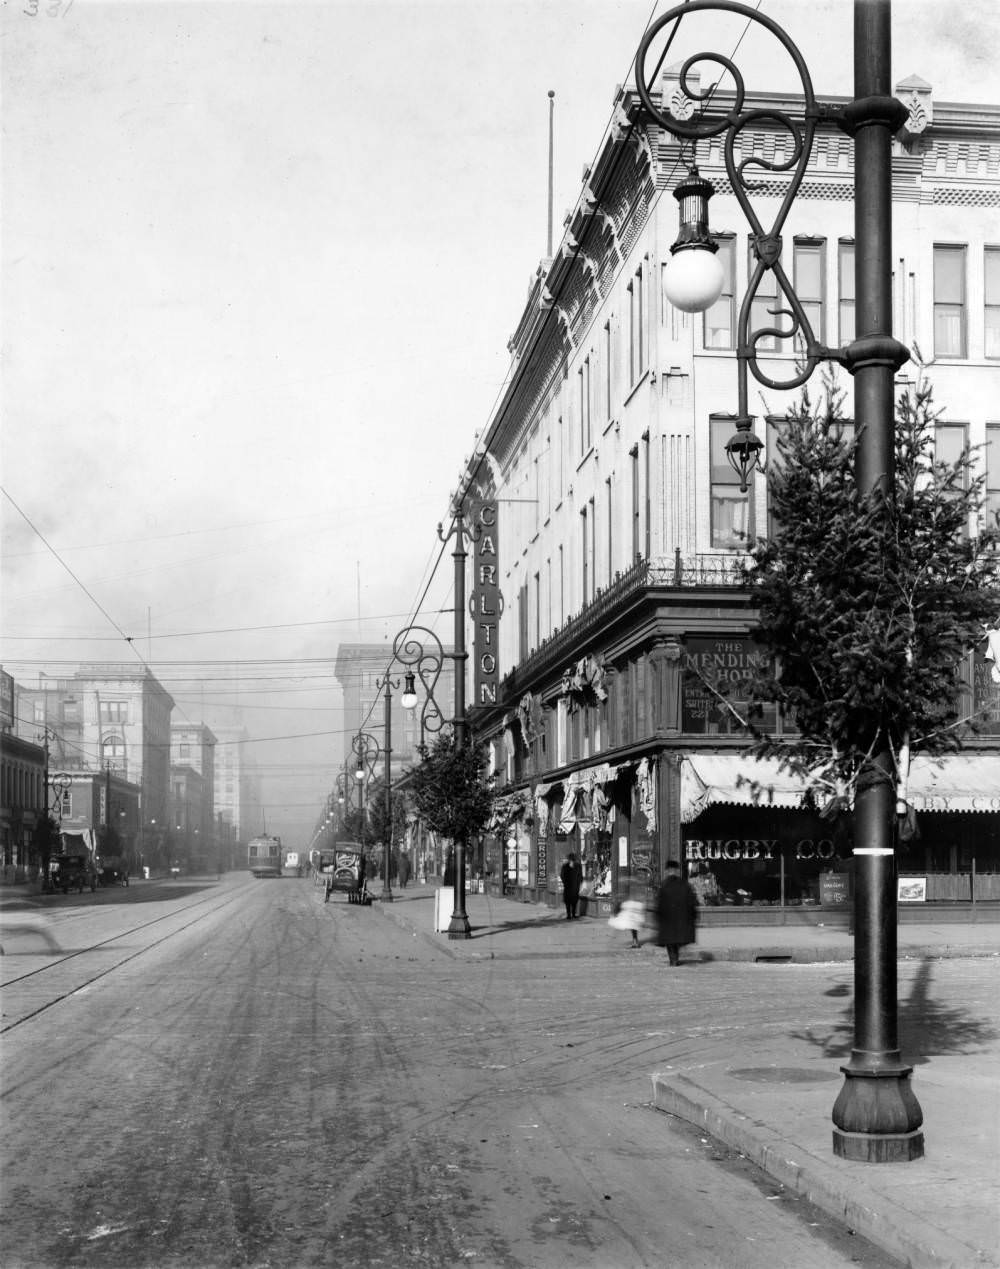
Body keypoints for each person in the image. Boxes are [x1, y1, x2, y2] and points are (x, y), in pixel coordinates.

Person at [655, 860, 698, 965]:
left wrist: (658, 917)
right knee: (677, 939)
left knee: (670, 942)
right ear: (677, 871)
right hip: (681, 919)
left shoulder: (664, 885)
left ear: (668, 871)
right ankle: (675, 958)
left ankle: (673, 959)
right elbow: (692, 902)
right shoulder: (684, 884)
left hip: (668, 919)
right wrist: (693, 916)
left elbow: (659, 904)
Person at [559, 852, 583, 920]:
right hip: (573, 886)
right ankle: (572, 914)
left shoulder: (565, 866)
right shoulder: (577, 865)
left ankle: (569, 914)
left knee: (569, 901)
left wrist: (565, 882)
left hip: (569, 886)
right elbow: (580, 876)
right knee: (573, 901)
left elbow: (562, 875)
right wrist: (579, 882)